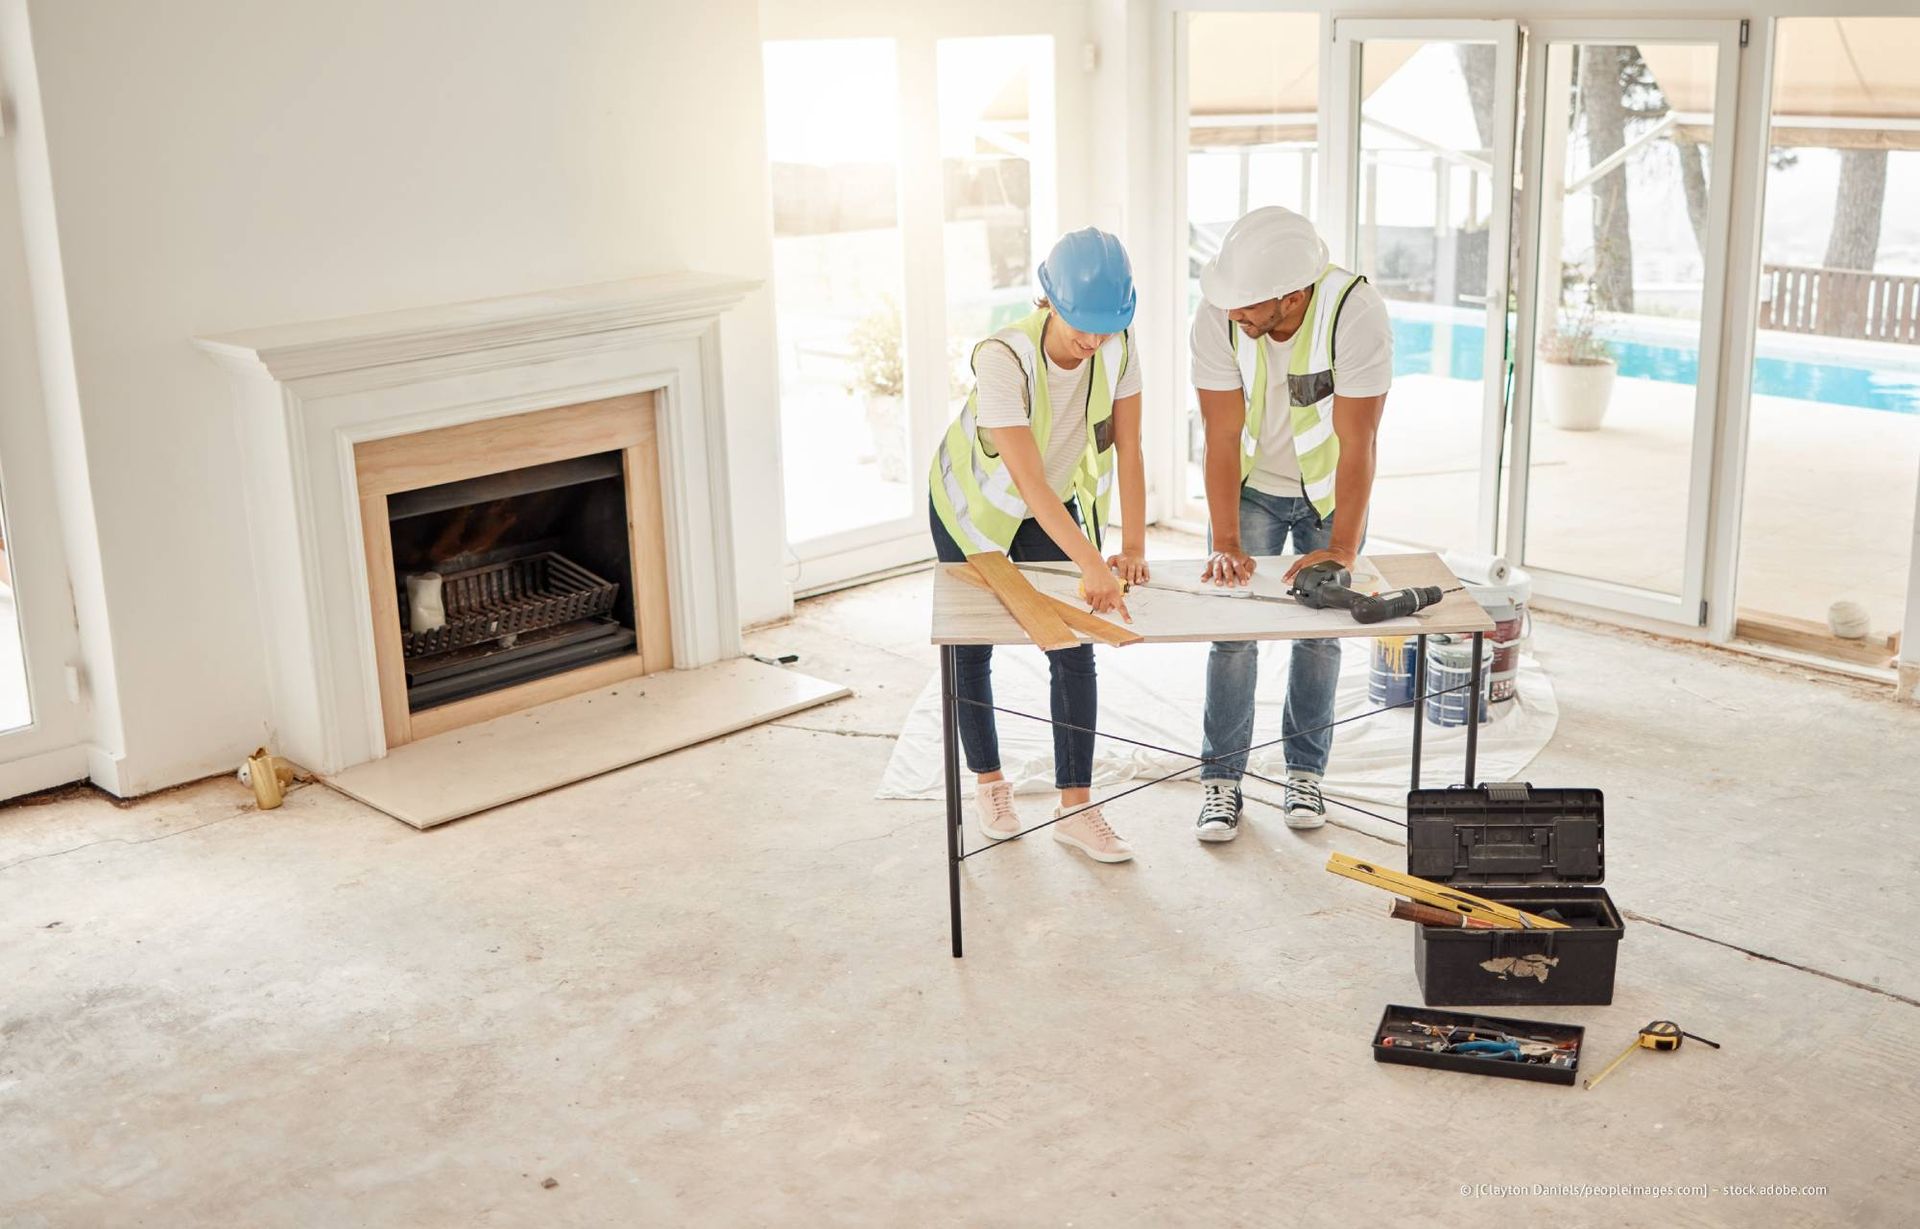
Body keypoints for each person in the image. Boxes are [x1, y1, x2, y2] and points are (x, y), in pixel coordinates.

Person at [928, 228, 1149, 864]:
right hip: (973, 507)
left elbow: (1128, 447)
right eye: (1083, 324)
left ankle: (1074, 808)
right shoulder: (1003, 356)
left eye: (1107, 326)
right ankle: (991, 784)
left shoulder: (1119, 344)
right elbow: (1024, 478)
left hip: (1052, 501)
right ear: (1047, 299)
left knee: (1073, 645)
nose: (1094, 341)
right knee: (972, 645)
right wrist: (1088, 562)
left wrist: (1129, 547)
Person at [1187, 206, 1393, 840]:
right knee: (1233, 631)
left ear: (1293, 293)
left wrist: (1342, 548)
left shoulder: (1354, 312)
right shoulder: (1219, 317)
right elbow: (1220, 435)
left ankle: (1305, 773)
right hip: (1253, 487)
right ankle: (1222, 781)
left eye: (1249, 305)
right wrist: (1224, 541)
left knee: (1319, 634)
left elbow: (1358, 442)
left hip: (1329, 493)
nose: (1235, 314)